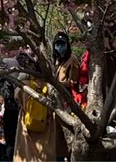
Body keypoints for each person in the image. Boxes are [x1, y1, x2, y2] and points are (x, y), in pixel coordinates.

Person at [13, 55, 57, 162]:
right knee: (44, 153)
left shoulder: (24, 85)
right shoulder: (49, 86)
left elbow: (17, 98)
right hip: (46, 123)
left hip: (27, 122)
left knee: (26, 152)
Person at [52, 31, 79, 160]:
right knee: (57, 138)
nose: (60, 47)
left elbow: (74, 82)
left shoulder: (72, 59)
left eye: (62, 44)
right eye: (57, 44)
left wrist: (58, 84)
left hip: (68, 103)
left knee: (67, 135)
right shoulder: (57, 61)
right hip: (56, 102)